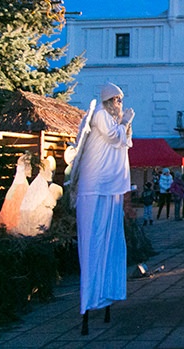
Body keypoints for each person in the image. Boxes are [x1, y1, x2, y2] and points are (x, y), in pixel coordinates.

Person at [72, 82, 134, 335]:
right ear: (108, 101)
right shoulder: (99, 115)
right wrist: (125, 123)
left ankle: (106, 295)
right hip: (93, 187)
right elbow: (115, 137)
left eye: (121, 100)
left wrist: (125, 125)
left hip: (111, 188)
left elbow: (124, 142)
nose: (120, 104)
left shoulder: (113, 120)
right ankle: (89, 300)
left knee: (110, 245)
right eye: (117, 100)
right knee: (92, 244)